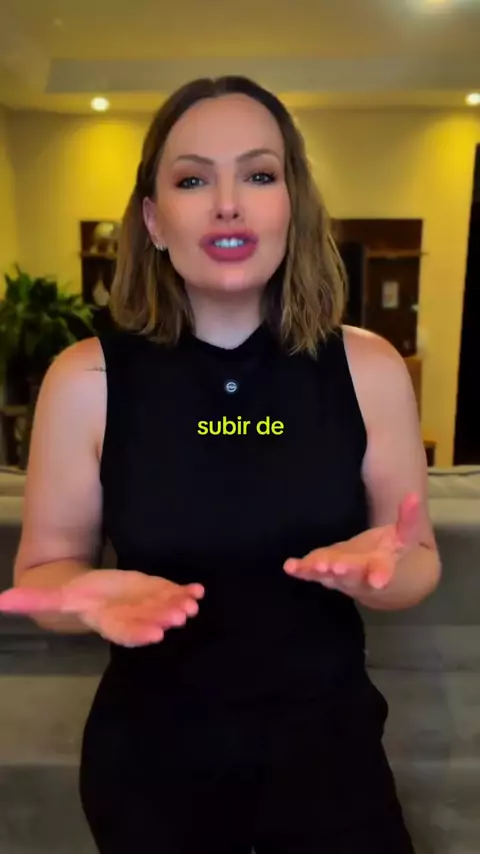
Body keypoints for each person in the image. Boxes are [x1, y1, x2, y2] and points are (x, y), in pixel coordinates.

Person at [0, 75, 440, 854]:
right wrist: (77, 597)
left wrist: (383, 572)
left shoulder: (369, 368)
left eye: (259, 175)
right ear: (153, 219)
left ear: (293, 205)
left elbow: (417, 559)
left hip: (331, 764)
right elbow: (45, 571)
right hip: (152, 774)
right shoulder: (85, 379)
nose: (228, 204)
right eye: (193, 180)